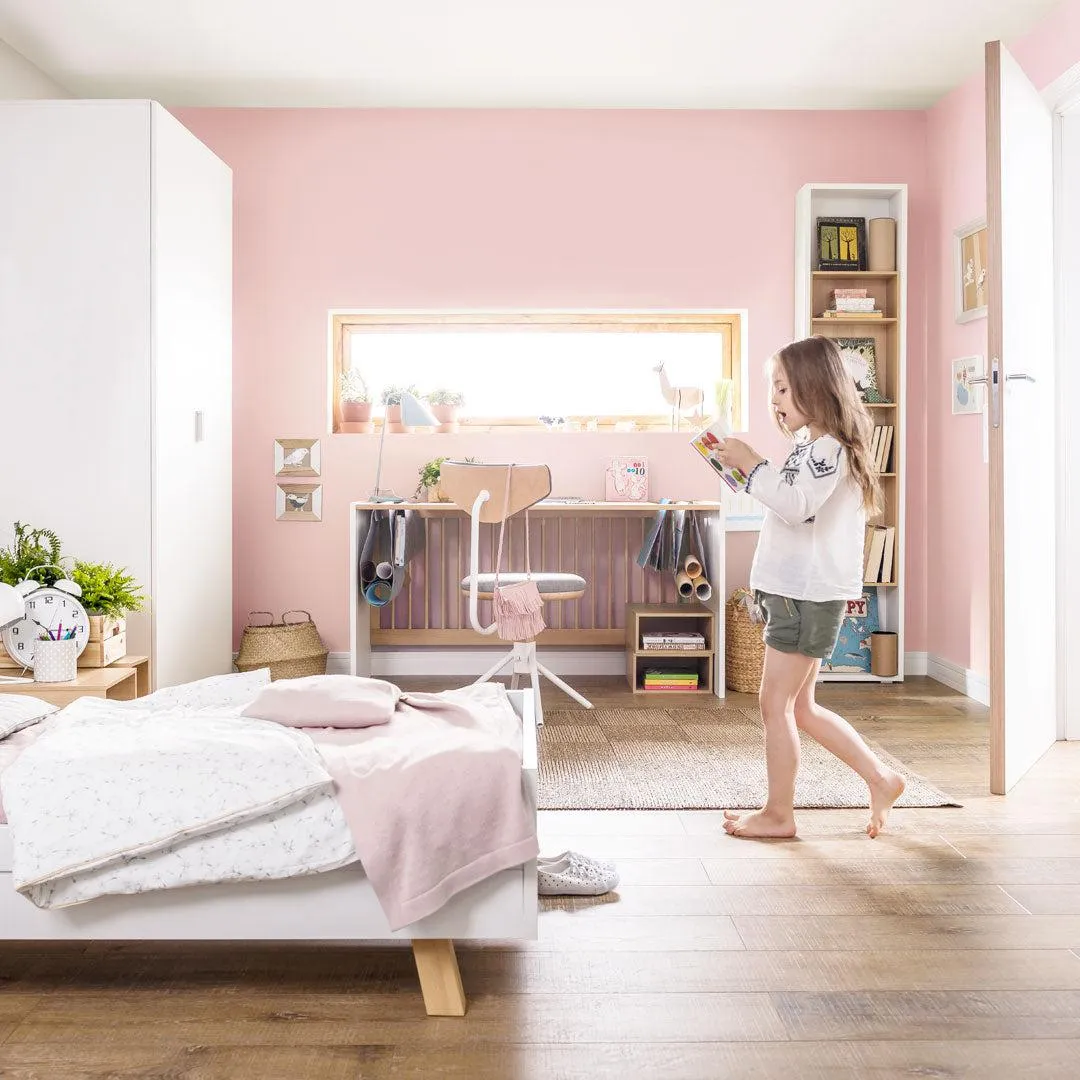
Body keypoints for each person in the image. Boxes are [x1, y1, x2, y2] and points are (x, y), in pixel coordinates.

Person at [713, 336, 905, 840]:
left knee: (774, 705)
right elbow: (790, 500)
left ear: (814, 388)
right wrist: (743, 469)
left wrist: (752, 462)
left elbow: (798, 506)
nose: (774, 400)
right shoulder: (812, 447)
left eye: (781, 388)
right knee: (800, 707)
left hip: (804, 595)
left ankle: (779, 815)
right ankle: (881, 779)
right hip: (798, 591)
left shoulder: (828, 450)